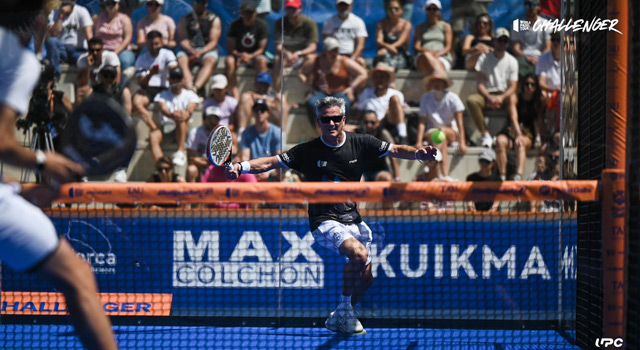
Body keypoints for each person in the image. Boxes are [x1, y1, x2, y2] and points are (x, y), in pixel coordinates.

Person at [225, 96, 440, 334]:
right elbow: (269, 163)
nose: (331, 123)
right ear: (319, 122)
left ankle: (340, 313)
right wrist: (240, 167)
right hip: (324, 221)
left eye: (336, 118)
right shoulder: (307, 151)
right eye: (326, 119)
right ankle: (345, 311)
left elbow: (397, 149)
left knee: (367, 279)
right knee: (359, 254)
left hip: (353, 219)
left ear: (344, 120)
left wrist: (419, 154)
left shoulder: (362, 142)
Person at [0, 2, 117, 348]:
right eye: (50, 14)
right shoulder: (18, 62)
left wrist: (15, 190)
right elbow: (3, 143)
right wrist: (42, 160)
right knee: (78, 277)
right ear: (38, 20)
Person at [298, 37, 367, 131]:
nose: (334, 53)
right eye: (331, 51)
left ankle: (340, 130)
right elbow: (301, 72)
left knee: (344, 104)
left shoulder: (344, 61)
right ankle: (319, 131)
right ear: (325, 51)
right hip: (320, 91)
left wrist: (351, 88)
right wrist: (308, 87)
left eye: (336, 50)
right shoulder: (315, 60)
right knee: (312, 103)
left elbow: (363, 73)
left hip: (340, 90)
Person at [466, 27, 518, 148]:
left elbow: (512, 86)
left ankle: (511, 132)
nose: (502, 43)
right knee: (472, 100)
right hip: (487, 95)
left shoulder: (512, 61)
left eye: (505, 41)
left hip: (504, 96)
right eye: (500, 40)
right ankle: (485, 134)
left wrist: (501, 97)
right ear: (494, 41)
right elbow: (480, 82)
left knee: (513, 99)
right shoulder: (484, 58)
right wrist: (489, 97)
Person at [416, 69, 467, 179]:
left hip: (450, 131)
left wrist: (462, 142)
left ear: (445, 84)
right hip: (433, 132)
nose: (437, 84)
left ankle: (430, 162)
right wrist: (418, 141)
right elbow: (422, 122)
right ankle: (444, 175)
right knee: (441, 138)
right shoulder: (426, 98)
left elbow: (460, 122)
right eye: (435, 81)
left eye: (440, 81)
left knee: (442, 132)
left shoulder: (453, 98)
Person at [494, 73, 543, 181]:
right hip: (512, 130)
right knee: (500, 141)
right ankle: (502, 175)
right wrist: (518, 133)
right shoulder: (515, 98)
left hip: (528, 133)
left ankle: (518, 175)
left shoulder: (537, 101)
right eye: (527, 84)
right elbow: (513, 117)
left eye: (532, 84)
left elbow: (537, 120)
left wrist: (538, 137)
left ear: (536, 87)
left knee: (520, 143)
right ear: (522, 85)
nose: (529, 87)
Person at [151, 66, 200, 166]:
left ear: (183, 79)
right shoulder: (162, 95)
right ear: (169, 79)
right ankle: (162, 166)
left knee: (181, 117)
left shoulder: (190, 95)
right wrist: (171, 115)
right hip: (166, 127)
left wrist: (183, 114)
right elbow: (162, 108)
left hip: (184, 128)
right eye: (173, 77)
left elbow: (191, 109)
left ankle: (180, 151)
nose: (176, 80)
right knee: (153, 136)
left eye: (178, 77)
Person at [132, 30, 178, 135]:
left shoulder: (168, 54)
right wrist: (151, 74)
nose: (154, 47)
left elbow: (174, 70)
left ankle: (170, 128)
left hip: (165, 88)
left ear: (162, 43)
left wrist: (171, 71)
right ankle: (154, 129)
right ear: (147, 43)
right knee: (137, 102)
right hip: (149, 89)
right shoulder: (142, 59)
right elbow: (142, 83)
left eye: (157, 44)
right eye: (151, 44)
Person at [225, 1, 269, 100]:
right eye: (246, 13)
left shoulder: (262, 25)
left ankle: (261, 92)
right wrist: (240, 55)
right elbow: (230, 48)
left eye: (251, 13)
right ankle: (234, 93)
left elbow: (261, 48)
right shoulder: (235, 25)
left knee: (262, 61)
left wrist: (250, 56)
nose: (248, 16)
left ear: (255, 13)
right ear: (242, 13)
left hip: (255, 55)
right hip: (239, 55)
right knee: (229, 61)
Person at [354, 62, 407, 144]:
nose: (379, 80)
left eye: (382, 77)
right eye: (377, 77)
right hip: (370, 125)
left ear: (387, 79)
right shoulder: (366, 92)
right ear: (373, 79)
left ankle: (402, 135)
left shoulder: (396, 94)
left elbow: (399, 113)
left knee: (395, 99)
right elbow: (359, 112)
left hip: (388, 123)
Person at [272, 0, 318, 92]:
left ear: (300, 8)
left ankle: (311, 91)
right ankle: (277, 91)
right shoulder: (280, 23)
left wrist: (299, 53)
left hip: (303, 56)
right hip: (286, 56)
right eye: (289, 8)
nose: (291, 11)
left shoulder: (309, 23)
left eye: (294, 8)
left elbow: (313, 46)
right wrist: (287, 53)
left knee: (312, 58)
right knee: (278, 59)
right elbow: (278, 46)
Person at [176, 0, 221, 93]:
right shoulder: (185, 19)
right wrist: (191, 50)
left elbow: (213, 42)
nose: (198, 5)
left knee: (210, 60)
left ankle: (195, 88)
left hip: (207, 50)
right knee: (181, 59)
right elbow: (183, 40)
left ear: (206, 4)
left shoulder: (213, 19)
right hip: (189, 50)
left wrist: (200, 52)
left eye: (201, 2)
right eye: (196, 2)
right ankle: (189, 86)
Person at [238, 99, 282, 181]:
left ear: (268, 113)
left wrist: (268, 172)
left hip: (271, 173)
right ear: (253, 113)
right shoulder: (246, 133)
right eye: (256, 110)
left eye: (262, 110)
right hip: (252, 173)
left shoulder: (277, 132)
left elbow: (279, 159)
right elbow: (245, 158)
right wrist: (256, 171)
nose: (259, 113)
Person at [45, 0, 94, 75]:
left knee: (85, 61)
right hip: (61, 50)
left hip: (77, 50)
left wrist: (91, 52)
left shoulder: (82, 11)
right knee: (51, 41)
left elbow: (89, 34)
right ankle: (55, 75)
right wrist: (61, 16)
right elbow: (52, 34)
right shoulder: (54, 12)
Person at [93, 0, 135, 74]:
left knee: (125, 61)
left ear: (119, 4)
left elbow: (127, 39)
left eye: (113, 3)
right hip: (102, 49)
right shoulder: (99, 18)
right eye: (107, 3)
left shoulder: (125, 19)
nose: (110, 6)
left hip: (121, 50)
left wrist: (115, 52)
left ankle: (120, 84)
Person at [511, 0, 550, 78]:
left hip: (540, 57)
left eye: (532, 5)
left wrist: (539, 58)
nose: (530, 8)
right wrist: (527, 57)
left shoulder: (545, 23)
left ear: (539, 7)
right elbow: (516, 48)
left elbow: (548, 47)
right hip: (523, 58)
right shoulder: (518, 24)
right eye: (527, 5)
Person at [322, 0, 368, 67]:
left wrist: (352, 58)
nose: (343, 7)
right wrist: (334, 56)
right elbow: (327, 42)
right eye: (341, 5)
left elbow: (360, 45)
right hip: (334, 54)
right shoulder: (329, 22)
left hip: (352, 54)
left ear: (351, 6)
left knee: (361, 62)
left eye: (346, 5)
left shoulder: (358, 21)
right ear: (336, 6)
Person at [75, 37, 121, 104]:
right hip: (91, 89)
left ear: (102, 50)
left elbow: (117, 80)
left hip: (107, 87)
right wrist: (88, 67)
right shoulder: (82, 60)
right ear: (88, 50)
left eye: (98, 50)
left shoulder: (111, 57)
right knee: (80, 92)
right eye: (92, 50)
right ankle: (80, 114)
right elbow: (81, 83)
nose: (95, 53)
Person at [358, 110, 400, 182]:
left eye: (372, 123)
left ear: (378, 123)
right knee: (358, 179)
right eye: (366, 122)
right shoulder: (356, 134)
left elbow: (393, 156)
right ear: (361, 122)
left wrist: (397, 178)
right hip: (361, 171)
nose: (369, 125)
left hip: (379, 170)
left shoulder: (384, 135)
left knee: (386, 178)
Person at [186, 106, 224, 182]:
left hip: (216, 168)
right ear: (204, 119)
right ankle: (192, 193)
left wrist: (201, 160)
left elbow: (220, 161)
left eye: (215, 119)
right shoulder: (194, 133)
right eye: (210, 118)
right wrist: (209, 161)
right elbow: (191, 159)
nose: (212, 122)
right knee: (191, 169)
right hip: (199, 167)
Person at [414, 0, 453, 74]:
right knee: (425, 56)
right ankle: (440, 77)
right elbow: (417, 46)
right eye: (429, 9)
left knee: (432, 63)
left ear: (439, 11)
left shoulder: (446, 26)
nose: (432, 11)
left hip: (442, 56)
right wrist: (428, 52)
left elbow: (448, 47)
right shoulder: (419, 28)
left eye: (434, 9)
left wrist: (439, 54)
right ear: (425, 10)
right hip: (423, 57)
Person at [373, 0, 412, 71]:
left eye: (396, 8)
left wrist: (386, 49)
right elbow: (379, 40)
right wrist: (388, 48)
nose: (393, 11)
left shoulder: (406, 24)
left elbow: (400, 42)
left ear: (401, 10)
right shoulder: (381, 23)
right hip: (383, 53)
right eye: (390, 9)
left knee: (387, 66)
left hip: (399, 54)